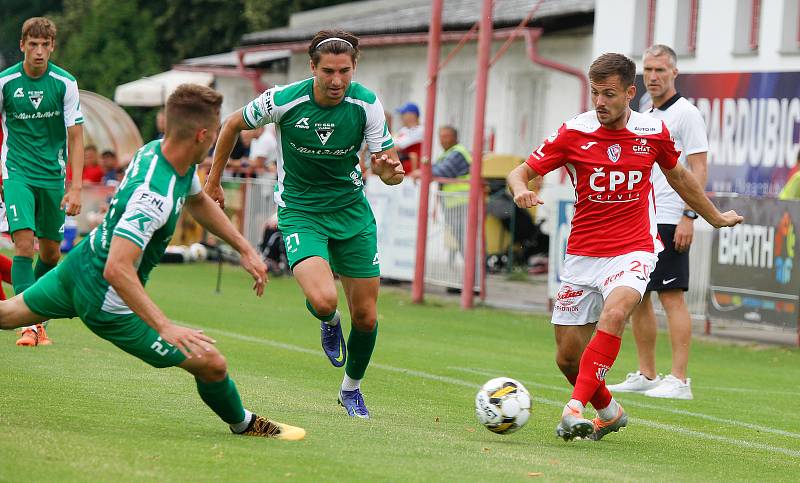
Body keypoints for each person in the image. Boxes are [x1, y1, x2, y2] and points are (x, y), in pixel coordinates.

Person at [0, 83, 305, 440]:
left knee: (6, 316)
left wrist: (245, 248)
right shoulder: (154, 195)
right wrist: (164, 326)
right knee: (211, 363)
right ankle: (246, 424)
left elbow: (199, 201)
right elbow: (118, 268)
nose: (213, 145)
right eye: (214, 134)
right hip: (105, 299)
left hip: (80, 264)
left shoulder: (158, 153)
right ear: (202, 135)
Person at [507, 53, 742, 442]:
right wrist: (520, 190)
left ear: (630, 93)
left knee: (616, 314)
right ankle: (610, 411)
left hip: (634, 248)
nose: (600, 102)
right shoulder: (573, 132)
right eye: (595, 93)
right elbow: (522, 171)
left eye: (609, 94)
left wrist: (712, 217)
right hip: (583, 255)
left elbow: (680, 176)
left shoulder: (653, 131)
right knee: (567, 357)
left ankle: (572, 410)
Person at [205, 30, 403, 419]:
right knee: (324, 299)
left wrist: (387, 171)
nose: (336, 80)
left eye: (344, 71)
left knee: (366, 317)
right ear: (312, 67)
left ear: (354, 68)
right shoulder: (283, 99)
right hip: (301, 212)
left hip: (352, 214)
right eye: (327, 71)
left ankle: (351, 389)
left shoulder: (367, 104)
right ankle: (328, 322)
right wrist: (213, 180)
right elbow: (230, 125)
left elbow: (391, 170)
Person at [607, 45, 709, 400]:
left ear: (674, 73)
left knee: (671, 298)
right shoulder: (646, 113)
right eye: (648, 70)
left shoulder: (687, 114)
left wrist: (689, 215)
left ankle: (679, 380)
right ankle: (648, 374)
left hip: (670, 218)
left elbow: (699, 170)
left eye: (660, 70)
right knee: (639, 297)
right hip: (643, 219)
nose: (653, 76)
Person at [0, 17, 84, 347]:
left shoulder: (64, 83)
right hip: (16, 172)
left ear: (52, 47)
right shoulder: (5, 82)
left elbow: (76, 138)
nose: (38, 51)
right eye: (32, 44)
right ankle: (29, 324)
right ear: (22, 45)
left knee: (50, 254)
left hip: (52, 176)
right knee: (23, 244)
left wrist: (75, 187)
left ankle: (33, 316)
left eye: (44, 45)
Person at [393, 102, 423, 173]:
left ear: (412, 116)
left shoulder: (421, 130)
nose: (401, 117)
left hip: (414, 172)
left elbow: (397, 146)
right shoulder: (404, 129)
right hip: (402, 169)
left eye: (403, 114)